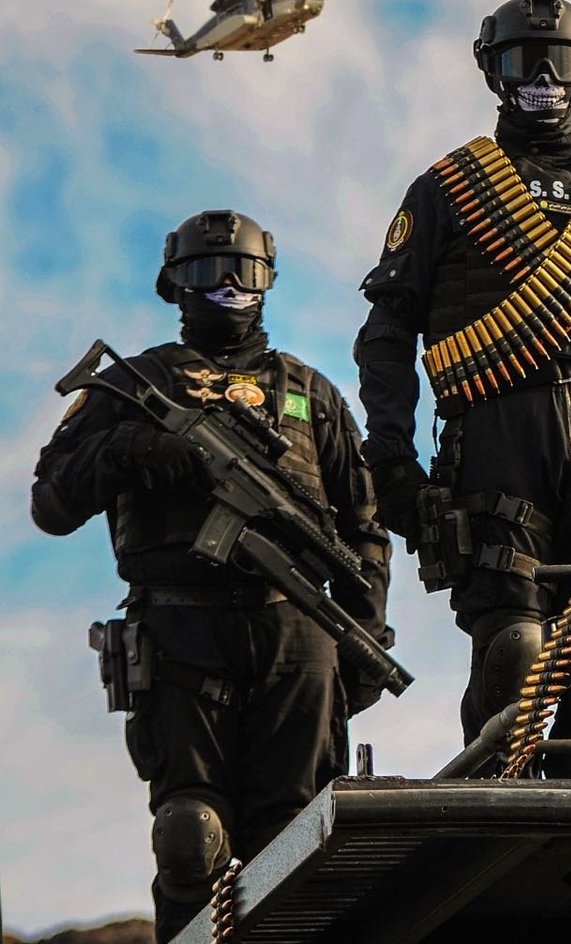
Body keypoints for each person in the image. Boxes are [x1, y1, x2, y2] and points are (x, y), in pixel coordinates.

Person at [354, 0, 571, 754]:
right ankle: (499, 796)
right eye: (524, 61)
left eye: (561, 61)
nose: (544, 78)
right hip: (495, 434)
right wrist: (391, 458)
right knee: (513, 649)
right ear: (495, 73)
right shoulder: (448, 188)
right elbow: (387, 334)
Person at [31, 209, 392, 942]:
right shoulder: (133, 384)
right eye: (207, 273)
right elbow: (51, 504)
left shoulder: (312, 393)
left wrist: (365, 638)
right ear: (175, 285)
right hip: (178, 634)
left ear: (268, 283)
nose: (227, 287)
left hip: (297, 637)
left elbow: (363, 533)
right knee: (189, 835)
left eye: (245, 274)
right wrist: (129, 448)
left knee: (295, 845)